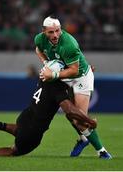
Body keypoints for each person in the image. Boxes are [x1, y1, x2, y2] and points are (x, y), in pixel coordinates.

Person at [34, 16, 112, 159]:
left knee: (79, 121)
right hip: (64, 77)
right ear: (44, 31)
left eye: (57, 31)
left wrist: (53, 74)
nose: (55, 35)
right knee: (70, 114)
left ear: (61, 29)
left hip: (81, 77)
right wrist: (46, 63)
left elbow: (74, 70)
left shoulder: (69, 43)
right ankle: (84, 139)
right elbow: (38, 50)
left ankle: (102, 152)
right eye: (51, 32)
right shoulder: (39, 39)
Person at [0, 79, 96, 157]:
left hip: (25, 117)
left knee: (21, 130)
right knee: (14, 151)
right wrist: (90, 121)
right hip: (33, 130)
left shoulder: (44, 79)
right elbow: (70, 110)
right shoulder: (57, 88)